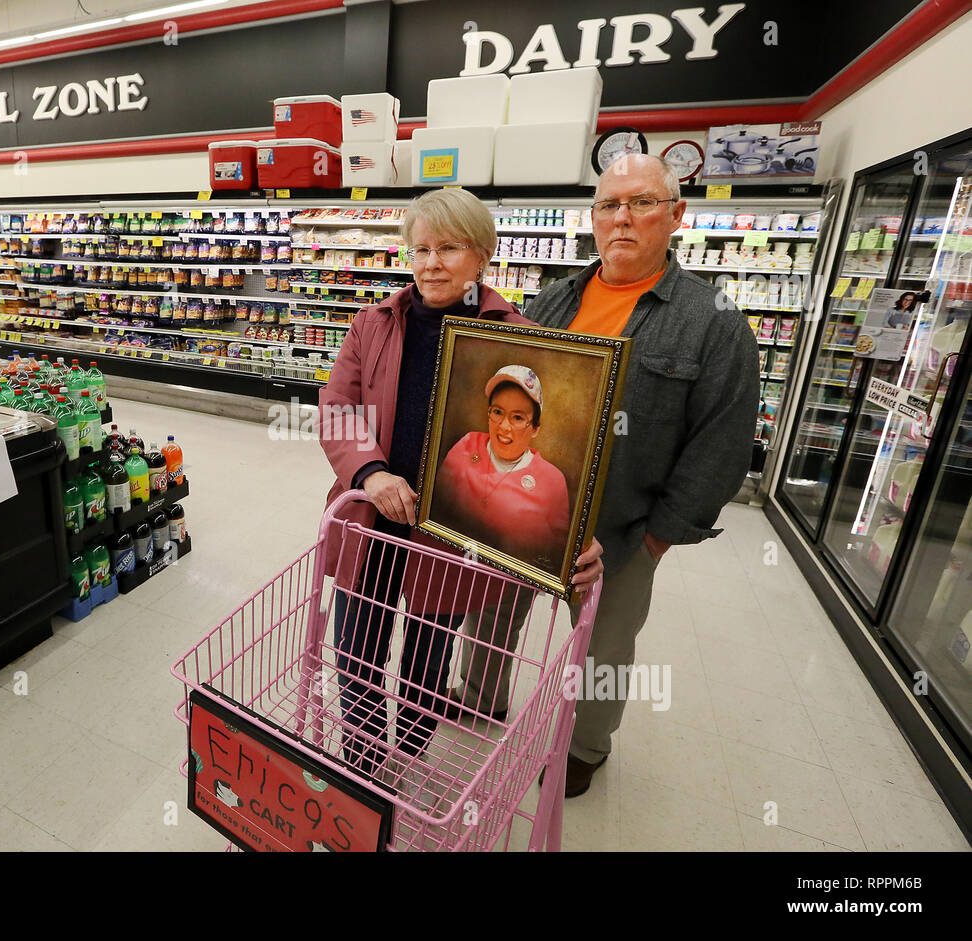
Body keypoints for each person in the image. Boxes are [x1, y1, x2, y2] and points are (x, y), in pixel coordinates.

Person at [451, 153, 760, 796]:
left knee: (604, 648)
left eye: (642, 202)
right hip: (528, 503)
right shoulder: (555, 295)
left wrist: (657, 538)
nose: (622, 218)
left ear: (676, 214)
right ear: (592, 217)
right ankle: (479, 697)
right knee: (491, 612)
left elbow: (721, 444)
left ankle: (584, 748)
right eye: (608, 205)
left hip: (622, 528)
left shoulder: (715, 321)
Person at [318, 188, 603, 782]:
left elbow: (548, 448)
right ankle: (364, 764)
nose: (431, 263)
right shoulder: (373, 324)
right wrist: (369, 472)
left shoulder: (519, 336)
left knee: (427, 653)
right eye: (420, 248)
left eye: (448, 248)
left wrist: (566, 532)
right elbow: (337, 407)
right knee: (357, 645)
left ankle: (411, 754)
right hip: (374, 519)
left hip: (454, 532)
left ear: (481, 256)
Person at [434, 364, 570, 572]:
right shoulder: (467, 444)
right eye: (497, 412)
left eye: (517, 417)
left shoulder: (553, 480)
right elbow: (436, 509)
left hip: (506, 596)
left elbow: (556, 555)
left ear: (535, 428)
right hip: (443, 574)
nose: (504, 427)